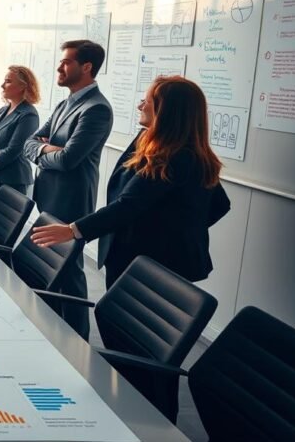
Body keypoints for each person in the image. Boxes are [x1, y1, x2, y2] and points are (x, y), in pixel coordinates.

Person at [31, 76, 231, 288]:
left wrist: (73, 230)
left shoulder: (179, 156)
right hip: (128, 252)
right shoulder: (147, 140)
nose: (139, 106)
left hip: (153, 262)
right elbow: (218, 205)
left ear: (166, 111)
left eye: (146, 102)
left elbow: (128, 205)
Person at [23, 39, 113, 339]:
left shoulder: (96, 109)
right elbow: (30, 143)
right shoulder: (65, 103)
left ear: (86, 67)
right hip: (48, 196)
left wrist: (43, 149)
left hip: (71, 202)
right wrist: (47, 148)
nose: (59, 68)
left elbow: (69, 159)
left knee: (69, 272)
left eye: (66, 63)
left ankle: (77, 341)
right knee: (51, 269)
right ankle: (49, 330)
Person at [0, 66, 41, 195]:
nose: (2, 85)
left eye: (8, 81)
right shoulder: (3, 110)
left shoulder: (29, 114)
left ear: (23, 86)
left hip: (12, 180)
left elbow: (14, 149)